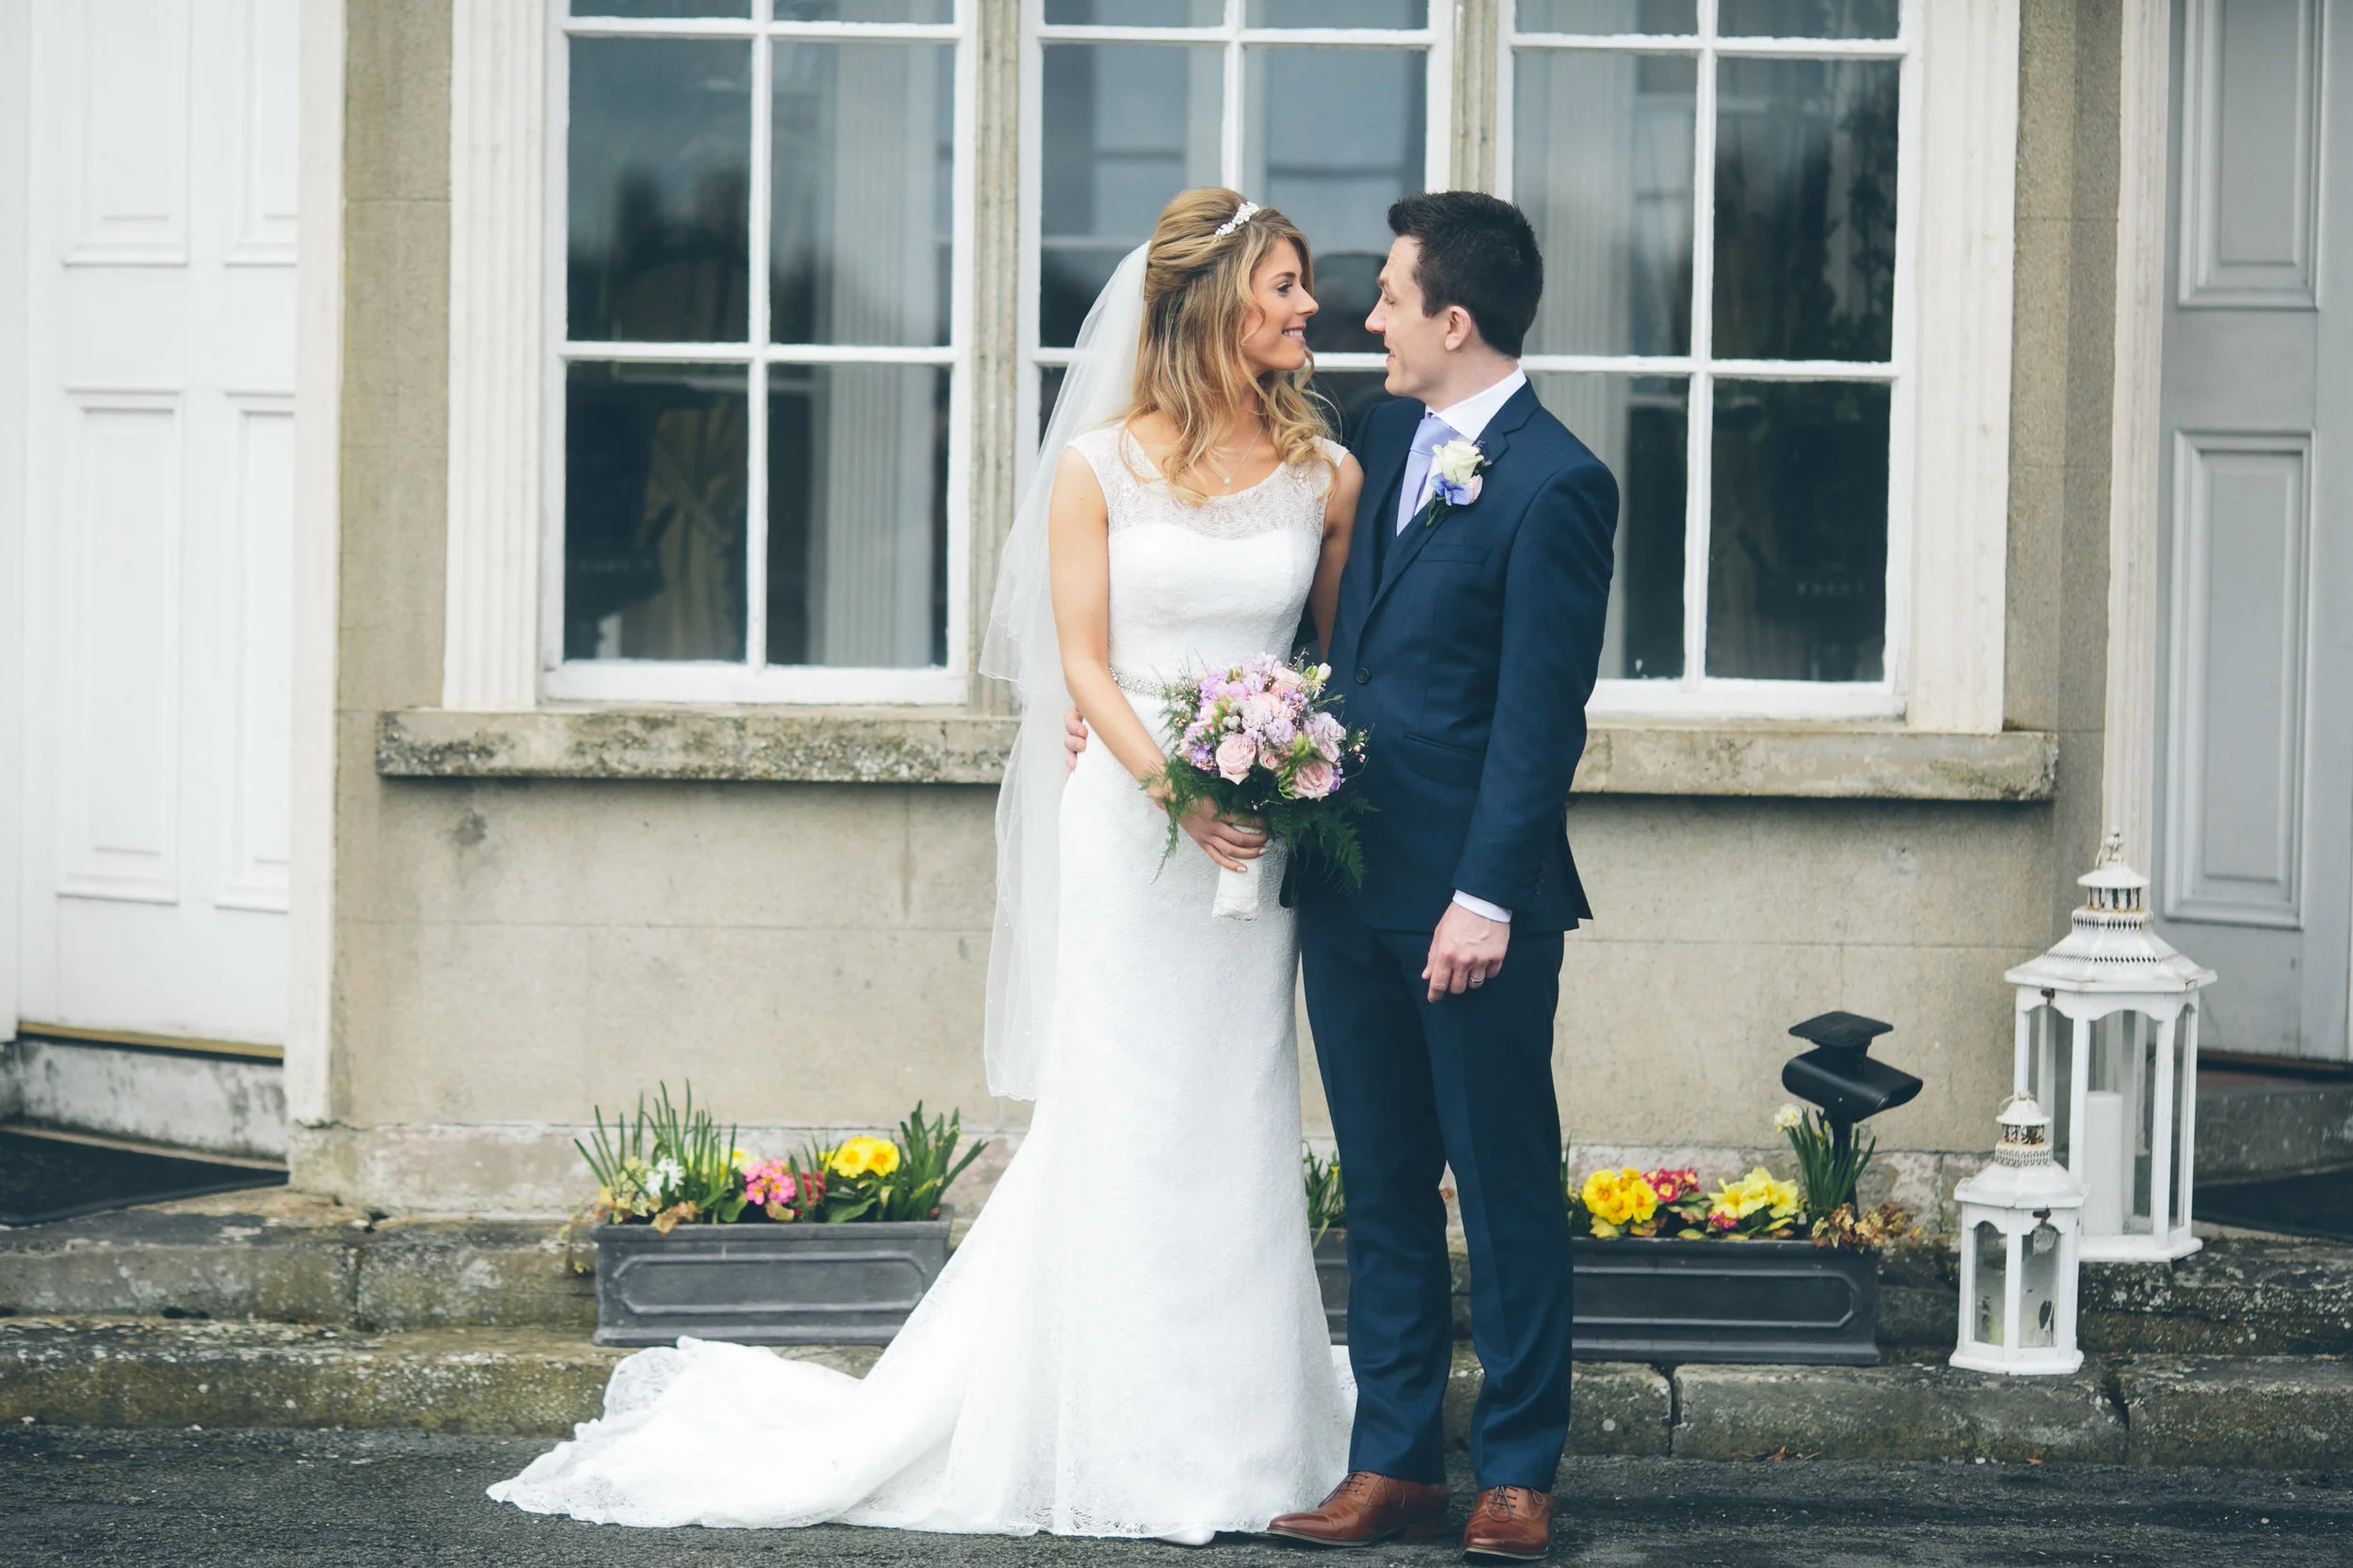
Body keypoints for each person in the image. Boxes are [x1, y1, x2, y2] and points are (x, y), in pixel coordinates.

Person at [487, 187, 1365, 1543]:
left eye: (1308, 288)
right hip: (1135, 828)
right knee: (1123, 1113)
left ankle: (1246, 1436)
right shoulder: (1098, 469)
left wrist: (1281, 762)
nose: (1312, 308)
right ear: (1212, 300)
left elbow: (1328, 664)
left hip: (1253, 855)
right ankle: (1105, 1425)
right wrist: (1176, 788)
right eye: (1289, 286)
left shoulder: (1328, 476)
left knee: (1235, 1113)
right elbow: (1082, 660)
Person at [1065, 191, 1618, 1561]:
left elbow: (1544, 720)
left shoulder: (1559, 482)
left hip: (1472, 904)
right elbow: (1293, 638)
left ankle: (1520, 1469)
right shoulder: (1364, 441)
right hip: (1343, 881)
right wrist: (1155, 714)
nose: (1362, 314)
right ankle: (1392, 1461)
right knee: (1379, 1183)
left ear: (1454, 320)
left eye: (1390, 295)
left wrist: (1487, 897)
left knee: (1499, 1182)